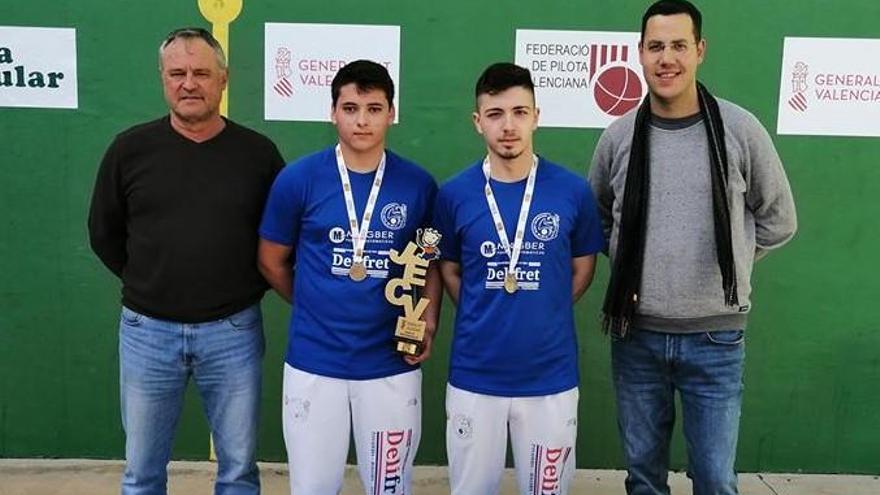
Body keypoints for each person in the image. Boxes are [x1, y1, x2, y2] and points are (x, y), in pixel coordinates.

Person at [588, 1, 798, 494]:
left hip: (717, 341)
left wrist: (733, 262)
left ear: (699, 51)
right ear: (640, 53)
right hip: (634, 335)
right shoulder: (618, 138)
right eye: (656, 46)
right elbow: (597, 218)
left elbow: (778, 220)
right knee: (642, 479)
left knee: (716, 481)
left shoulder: (740, 129)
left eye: (679, 46)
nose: (667, 58)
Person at [88, 27, 285, 495]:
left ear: (223, 79)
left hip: (233, 332)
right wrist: (152, 281)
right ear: (163, 79)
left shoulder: (258, 155)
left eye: (201, 73)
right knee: (141, 475)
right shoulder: (128, 150)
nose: (189, 83)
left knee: (238, 472)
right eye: (177, 73)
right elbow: (104, 233)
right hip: (146, 333)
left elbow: (278, 239)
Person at [257, 60, 440, 495]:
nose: (362, 120)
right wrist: (312, 302)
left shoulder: (418, 185)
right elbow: (271, 260)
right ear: (333, 112)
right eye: (351, 107)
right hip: (314, 364)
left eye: (374, 108)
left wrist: (428, 319)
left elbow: (430, 261)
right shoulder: (298, 179)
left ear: (391, 113)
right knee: (313, 487)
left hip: (390, 364)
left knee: (389, 487)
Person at [433, 63, 605, 495]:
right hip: (475, 375)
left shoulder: (572, 191)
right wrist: (481, 306)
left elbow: (583, 266)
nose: (508, 126)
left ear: (536, 116)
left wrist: (544, 307)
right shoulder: (453, 194)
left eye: (519, 112)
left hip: (550, 378)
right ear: (478, 122)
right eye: (495, 114)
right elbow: (448, 268)